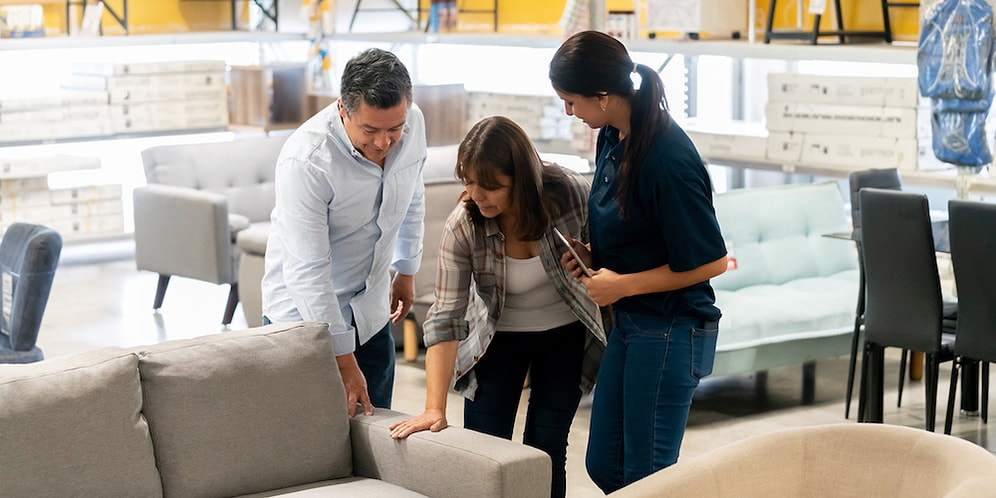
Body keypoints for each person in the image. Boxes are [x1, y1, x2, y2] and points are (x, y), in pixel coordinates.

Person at [548, 30, 729, 494]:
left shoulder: (668, 159)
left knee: (646, 477)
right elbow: (634, 227)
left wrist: (622, 285)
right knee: (605, 464)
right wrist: (593, 258)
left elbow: (711, 262)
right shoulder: (613, 133)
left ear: (604, 96)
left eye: (572, 101)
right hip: (630, 324)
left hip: (672, 329)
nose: (569, 111)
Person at [388, 116, 606, 498]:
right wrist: (433, 408)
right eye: (468, 182)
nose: (475, 195)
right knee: (486, 448)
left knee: (546, 448)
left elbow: (610, 258)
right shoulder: (464, 225)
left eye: (490, 186)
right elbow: (446, 317)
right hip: (496, 338)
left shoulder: (570, 192)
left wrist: (594, 260)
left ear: (520, 179)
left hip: (566, 333)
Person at [262, 48, 427, 418]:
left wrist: (406, 268)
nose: (384, 142)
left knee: (376, 433)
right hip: (304, 321)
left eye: (394, 129)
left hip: (370, 310)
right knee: (312, 441)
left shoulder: (412, 121)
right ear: (343, 109)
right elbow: (309, 271)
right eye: (370, 130)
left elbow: (412, 195)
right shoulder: (306, 162)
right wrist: (343, 359)